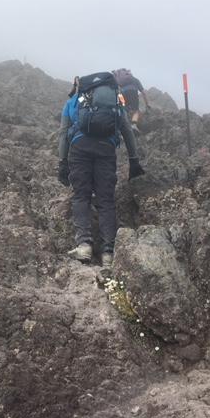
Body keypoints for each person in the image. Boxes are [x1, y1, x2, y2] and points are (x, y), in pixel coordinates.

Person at [57, 73, 145, 277]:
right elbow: (126, 129)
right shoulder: (115, 100)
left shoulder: (74, 100)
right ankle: (108, 254)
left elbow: (63, 132)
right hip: (106, 148)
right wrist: (134, 160)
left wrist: (63, 161)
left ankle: (84, 245)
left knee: (81, 196)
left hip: (79, 148)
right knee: (106, 200)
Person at [113, 68, 151, 134]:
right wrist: (147, 104)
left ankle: (121, 128)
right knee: (135, 111)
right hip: (132, 92)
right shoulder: (134, 79)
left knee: (124, 111)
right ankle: (133, 125)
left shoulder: (119, 81)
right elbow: (143, 92)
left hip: (121, 94)